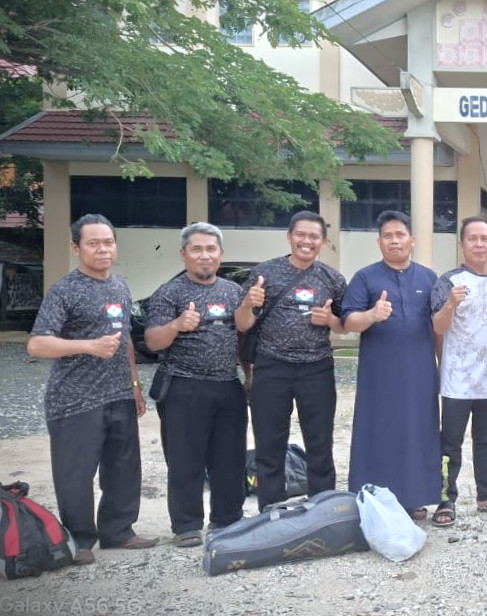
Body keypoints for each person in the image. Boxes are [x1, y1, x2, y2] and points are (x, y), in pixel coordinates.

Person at [27, 214, 158, 565]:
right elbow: (37, 345)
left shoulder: (120, 287)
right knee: (76, 473)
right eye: (93, 243)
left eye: (108, 242)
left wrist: (134, 386)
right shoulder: (64, 290)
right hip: (75, 399)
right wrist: (88, 346)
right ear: (76, 248)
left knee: (123, 467)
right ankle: (80, 540)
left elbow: (126, 340)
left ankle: (118, 531)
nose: (103, 249)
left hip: (118, 395)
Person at [144, 222, 247, 548]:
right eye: (197, 249)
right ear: (184, 254)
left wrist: (250, 376)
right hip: (184, 387)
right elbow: (152, 341)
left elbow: (243, 337)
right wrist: (177, 324)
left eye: (211, 249)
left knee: (230, 459)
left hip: (228, 385)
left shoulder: (233, 291)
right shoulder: (169, 292)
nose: (205, 256)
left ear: (220, 254)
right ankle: (187, 525)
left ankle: (227, 519)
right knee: (185, 459)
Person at [236, 211, 347, 511]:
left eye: (314, 237)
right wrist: (248, 303)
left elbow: (344, 325)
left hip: (317, 367)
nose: (306, 241)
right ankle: (271, 509)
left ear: (323, 242)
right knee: (269, 442)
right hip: (272, 366)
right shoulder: (265, 273)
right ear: (289, 236)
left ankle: (323, 507)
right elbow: (243, 324)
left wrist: (330, 319)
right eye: (301, 234)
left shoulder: (332, 279)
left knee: (320, 442)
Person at [341, 210, 441, 522]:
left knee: (417, 432)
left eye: (400, 235)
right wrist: (371, 315)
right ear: (379, 242)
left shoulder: (429, 278)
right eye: (387, 235)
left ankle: (415, 499)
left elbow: (439, 326)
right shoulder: (365, 277)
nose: (394, 240)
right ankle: (373, 495)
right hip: (379, 374)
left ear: (412, 240)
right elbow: (348, 322)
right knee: (379, 432)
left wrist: (443, 365)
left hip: (419, 373)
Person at [431, 215, 487, 525]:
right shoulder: (447, 282)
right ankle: (446, 498)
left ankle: (486, 495)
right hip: (458, 378)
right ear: (462, 244)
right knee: (450, 443)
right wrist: (450, 305)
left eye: (485, 238)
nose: (480, 244)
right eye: (473, 238)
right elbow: (438, 327)